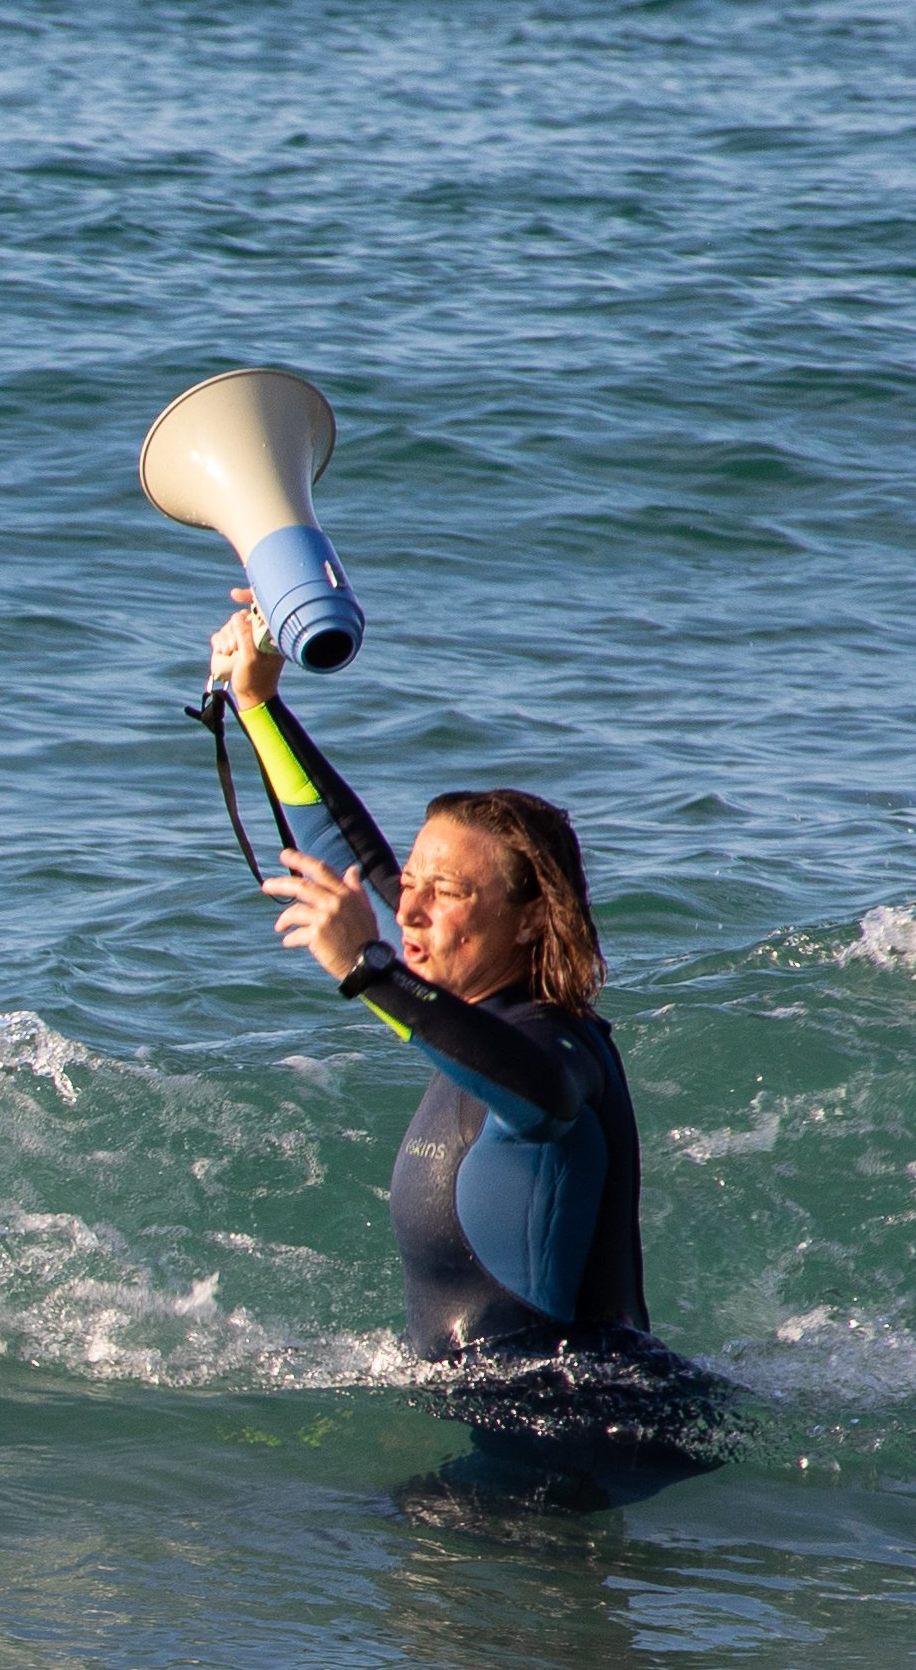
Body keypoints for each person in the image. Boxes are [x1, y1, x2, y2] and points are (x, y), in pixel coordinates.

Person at [212, 600, 717, 1495]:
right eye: (410, 886)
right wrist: (259, 703)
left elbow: (540, 1092)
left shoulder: (556, 1046)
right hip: (530, 1447)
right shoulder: (459, 1002)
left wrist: (368, 969)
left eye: (443, 892)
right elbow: (347, 852)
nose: (407, 911)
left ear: (530, 922)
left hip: (575, 1450)